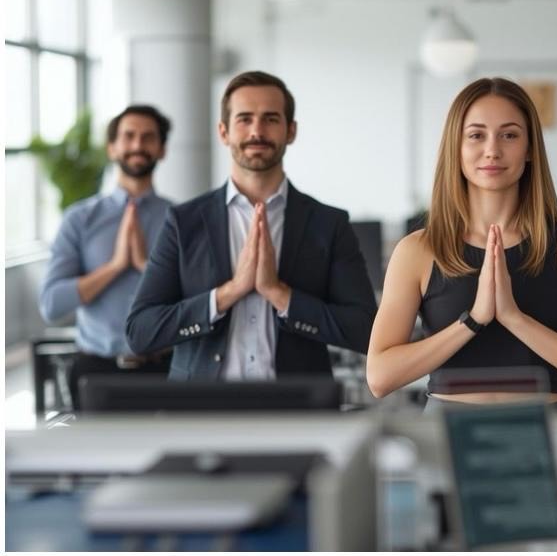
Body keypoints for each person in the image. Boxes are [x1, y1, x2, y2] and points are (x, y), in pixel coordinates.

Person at [366, 77, 557, 407]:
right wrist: (473, 320)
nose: (492, 149)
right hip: (448, 430)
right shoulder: (417, 250)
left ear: (530, 148)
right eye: (476, 135)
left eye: (509, 135)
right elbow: (379, 377)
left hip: (545, 427)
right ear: (456, 148)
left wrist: (514, 317)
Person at [126, 70, 376, 381]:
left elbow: (365, 330)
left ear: (291, 131)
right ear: (223, 132)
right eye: (244, 119)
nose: (257, 130)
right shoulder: (184, 222)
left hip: (299, 412)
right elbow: (140, 331)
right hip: (201, 414)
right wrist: (228, 293)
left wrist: (279, 293)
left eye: (271, 119)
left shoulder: (329, 224)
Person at [39, 105, 173, 408]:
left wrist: (144, 265)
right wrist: (115, 266)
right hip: (96, 372)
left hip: (166, 371)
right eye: (129, 136)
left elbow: (198, 299)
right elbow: (51, 304)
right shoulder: (80, 219)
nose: (137, 145)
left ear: (162, 149)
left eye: (148, 137)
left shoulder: (182, 219)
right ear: (112, 148)